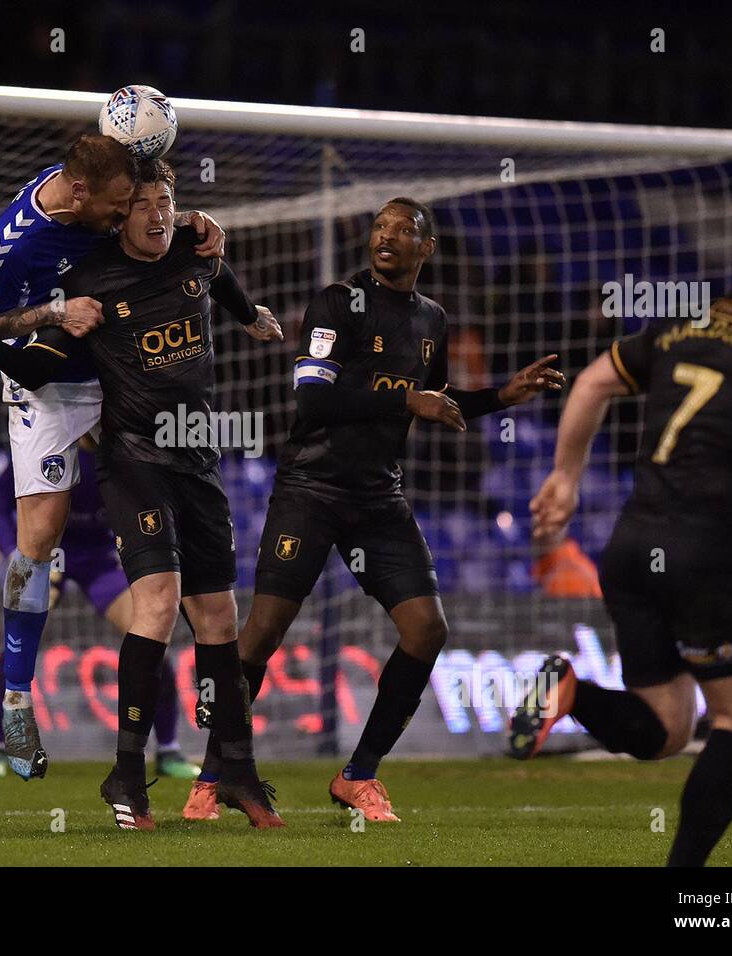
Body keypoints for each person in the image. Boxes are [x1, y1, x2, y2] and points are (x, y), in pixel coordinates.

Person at [186, 198, 563, 823]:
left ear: (427, 247)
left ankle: (358, 774)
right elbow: (312, 397)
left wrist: (502, 394)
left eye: (402, 229)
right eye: (379, 227)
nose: (385, 236)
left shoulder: (433, 321)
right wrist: (407, 401)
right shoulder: (337, 302)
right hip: (311, 489)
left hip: (378, 498)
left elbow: (435, 403)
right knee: (263, 632)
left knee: (427, 629)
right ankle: (212, 774)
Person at [517, 196, 732, 866]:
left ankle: (572, 691)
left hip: (630, 545)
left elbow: (589, 383)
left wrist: (565, 478)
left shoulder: (678, 328)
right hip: (710, 555)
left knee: (669, 728)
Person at [0, 160, 285, 829]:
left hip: (183, 450)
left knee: (207, 612)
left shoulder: (189, 244)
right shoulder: (36, 244)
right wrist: (13, 335)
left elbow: (218, 277)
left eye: (167, 200)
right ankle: (19, 704)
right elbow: (0, 322)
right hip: (71, 397)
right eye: (138, 203)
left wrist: (251, 317)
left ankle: (208, 762)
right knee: (45, 543)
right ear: (96, 198)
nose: (153, 212)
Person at [0, 445, 200, 779]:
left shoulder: (122, 450)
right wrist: (15, 552)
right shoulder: (48, 442)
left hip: (100, 558)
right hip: (47, 555)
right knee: (19, 639)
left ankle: (168, 749)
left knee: (152, 635)